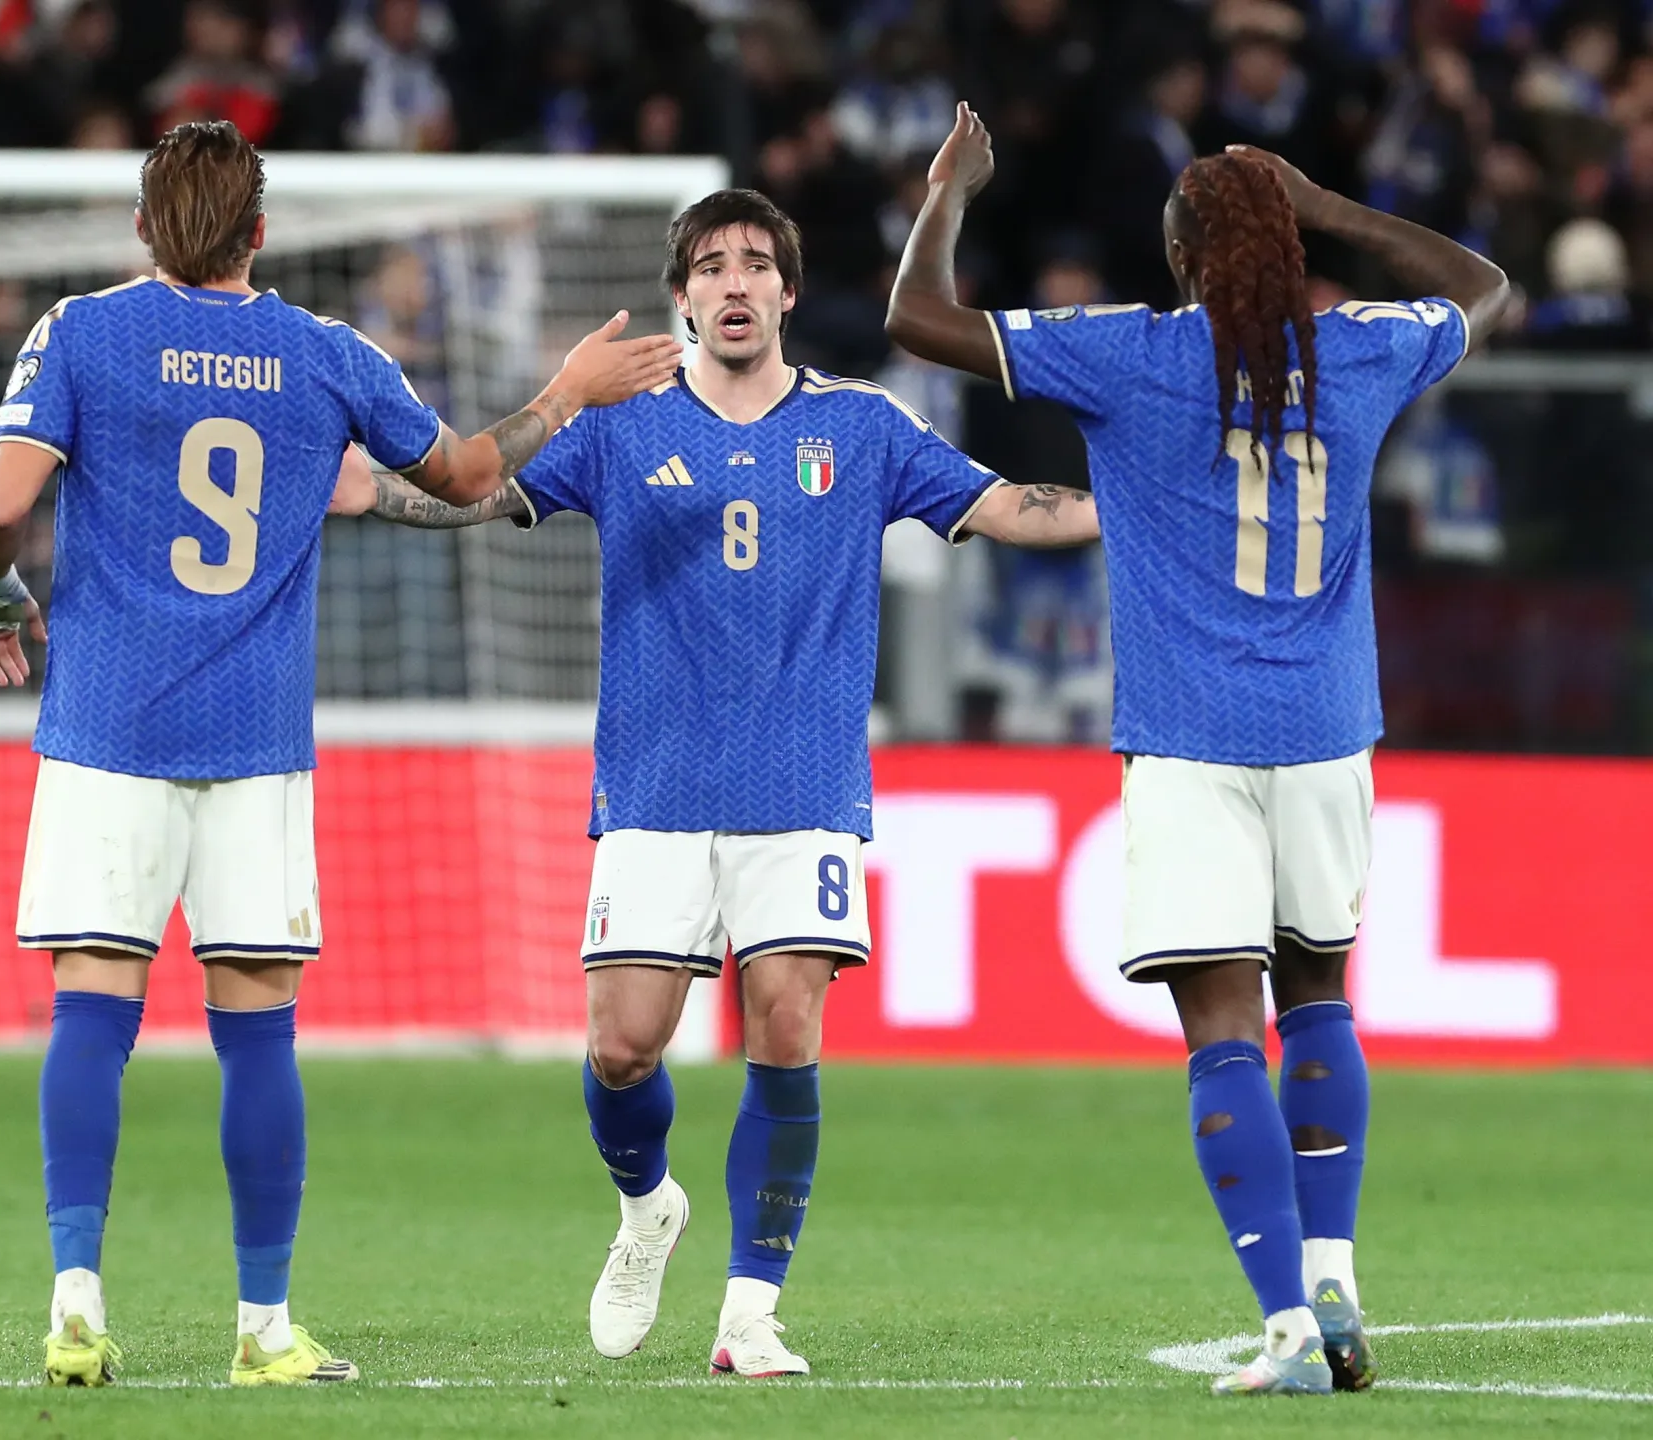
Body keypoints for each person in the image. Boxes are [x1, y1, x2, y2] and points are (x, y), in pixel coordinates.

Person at [335, 187, 1100, 1377]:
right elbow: (474, 494)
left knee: (786, 1025)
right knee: (624, 1051)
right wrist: (371, 493)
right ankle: (647, 1206)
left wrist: (1147, 515)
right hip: (655, 787)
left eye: (755, 265)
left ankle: (750, 1311)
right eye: (710, 266)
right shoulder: (624, 423)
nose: (734, 284)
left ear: (788, 293)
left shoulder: (862, 427)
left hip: (803, 787)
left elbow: (1010, 506)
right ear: (683, 295)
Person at [0, 119, 679, 1388]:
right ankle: (265, 1328)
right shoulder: (322, 352)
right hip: (252, 740)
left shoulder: (77, 329)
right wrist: (566, 391)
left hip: (105, 730)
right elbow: (462, 479)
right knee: (256, 1036)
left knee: (92, 1011)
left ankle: (75, 1297)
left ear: (143, 225)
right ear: (259, 232)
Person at [886, 104, 1508, 1396]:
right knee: (1321, 997)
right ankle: (1334, 1273)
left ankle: (1286, 1326)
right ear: (1288, 242)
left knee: (1223, 1031)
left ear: (1178, 258)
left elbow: (920, 321)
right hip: (1330, 732)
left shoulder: (1133, 356)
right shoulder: (1360, 352)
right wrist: (1329, 208)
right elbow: (1485, 287)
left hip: (1188, 742)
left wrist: (950, 192)